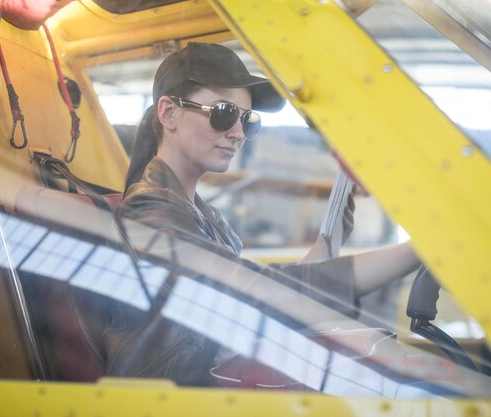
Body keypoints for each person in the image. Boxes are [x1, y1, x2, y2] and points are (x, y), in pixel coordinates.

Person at [111, 42, 420, 386]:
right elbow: (247, 294)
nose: (239, 133)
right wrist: (414, 252)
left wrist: (326, 245)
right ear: (168, 113)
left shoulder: (207, 218)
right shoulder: (148, 210)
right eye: (224, 113)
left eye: (247, 120)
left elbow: (243, 304)